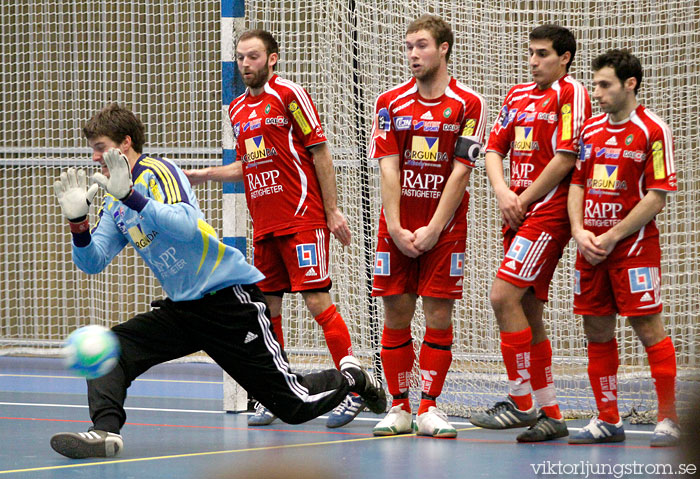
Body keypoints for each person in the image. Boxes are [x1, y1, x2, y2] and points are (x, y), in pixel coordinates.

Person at [49, 103, 386, 459]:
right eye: (93, 149)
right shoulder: (114, 204)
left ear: (125, 143)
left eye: (100, 147)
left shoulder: (158, 172)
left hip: (227, 301)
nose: (94, 157)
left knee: (294, 405)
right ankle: (104, 432)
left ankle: (354, 378)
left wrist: (132, 196)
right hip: (182, 309)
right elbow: (92, 261)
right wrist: (78, 223)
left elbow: (185, 225)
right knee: (113, 349)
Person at [184, 29, 363, 429]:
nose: (246, 64)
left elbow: (319, 150)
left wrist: (332, 211)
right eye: (241, 58)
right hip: (264, 225)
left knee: (317, 301)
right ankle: (277, 394)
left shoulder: (289, 95)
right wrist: (204, 174)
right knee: (268, 311)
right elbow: (246, 166)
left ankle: (353, 389)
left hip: (301, 218)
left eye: (253, 57)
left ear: (272, 59)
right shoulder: (236, 110)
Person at [368, 15, 487, 438]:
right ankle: (398, 406)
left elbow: (460, 173)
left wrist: (435, 228)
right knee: (396, 312)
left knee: (438, 313)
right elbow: (388, 168)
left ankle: (430, 407)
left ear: (444, 48)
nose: (413, 54)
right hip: (396, 225)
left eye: (421, 45)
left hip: (445, 229)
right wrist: (397, 228)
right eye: (408, 46)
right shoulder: (389, 102)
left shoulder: (468, 103)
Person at [471, 24, 591, 442]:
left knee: (501, 296)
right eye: (531, 53)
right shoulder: (517, 95)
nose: (534, 61)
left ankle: (522, 403)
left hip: (548, 211)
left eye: (542, 54)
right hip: (517, 211)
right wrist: (504, 191)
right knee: (528, 310)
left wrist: (524, 199)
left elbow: (564, 157)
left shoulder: (571, 92)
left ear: (565, 57)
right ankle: (551, 413)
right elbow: (491, 148)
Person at [567, 49, 680, 447]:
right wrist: (579, 231)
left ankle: (668, 418)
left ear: (630, 83)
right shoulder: (590, 130)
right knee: (596, 330)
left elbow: (657, 195)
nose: (596, 92)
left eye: (604, 85)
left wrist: (613, 235)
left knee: (648, 328)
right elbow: (577, 184)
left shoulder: (652, 129)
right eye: (594, 84)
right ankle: (607, 418)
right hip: (590, 249)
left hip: (633, 250)